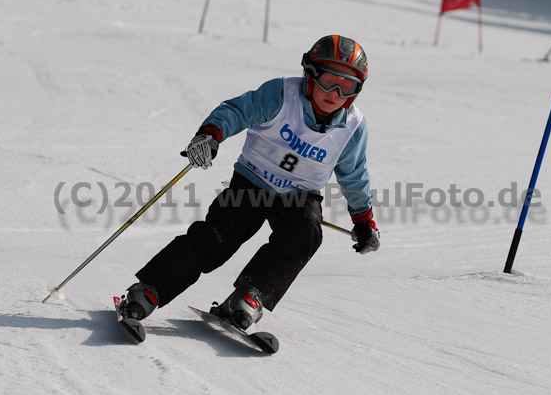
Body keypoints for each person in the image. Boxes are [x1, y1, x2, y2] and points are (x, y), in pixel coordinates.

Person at [117, 35, 380, 331]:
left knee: (305, 231)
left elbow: (354, 174)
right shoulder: (282, 94)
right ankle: (150, 289)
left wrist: (363, 220)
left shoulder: (352, 126)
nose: (334, 92)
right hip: (252, 182)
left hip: (300, 195)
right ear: (309, 75)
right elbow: (238, 110)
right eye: (329, 80)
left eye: (346, 86)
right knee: (218, 238)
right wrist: (210, 134)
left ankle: (249, 297)